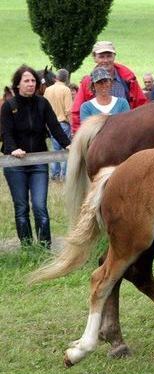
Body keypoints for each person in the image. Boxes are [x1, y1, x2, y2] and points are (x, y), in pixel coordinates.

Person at [1, 65, 71, 248]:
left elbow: (54, 127)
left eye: (33, 80)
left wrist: (69, 144)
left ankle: (44, 247)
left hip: (39, 163)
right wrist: (12, 149)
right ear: (18, 85)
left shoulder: (43, 103)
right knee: (21, 207)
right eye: (26, 81)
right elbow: (5, 133)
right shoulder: (9, 106)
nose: (31, 84)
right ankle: (26, 247)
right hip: (15, 164)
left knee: (40, 206)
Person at [71, 41, 147, 133]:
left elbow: (141, 105)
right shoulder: (87, 82)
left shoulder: (128, 79)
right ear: (95, 58)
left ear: (114, 56)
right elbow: (77, 113)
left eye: (109, 56)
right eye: (101, 57)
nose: (106, 60)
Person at [43, 68, 72, 181]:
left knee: (55, 150)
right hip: (63, 123)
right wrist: (73, 127)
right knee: (66, 150)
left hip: (50, 125)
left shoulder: (48, 90)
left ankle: (54, 175)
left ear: (56, 77)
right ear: (66, 78)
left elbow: (44, 108)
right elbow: (68, 110)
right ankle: (64, 176)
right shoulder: (66, 90)